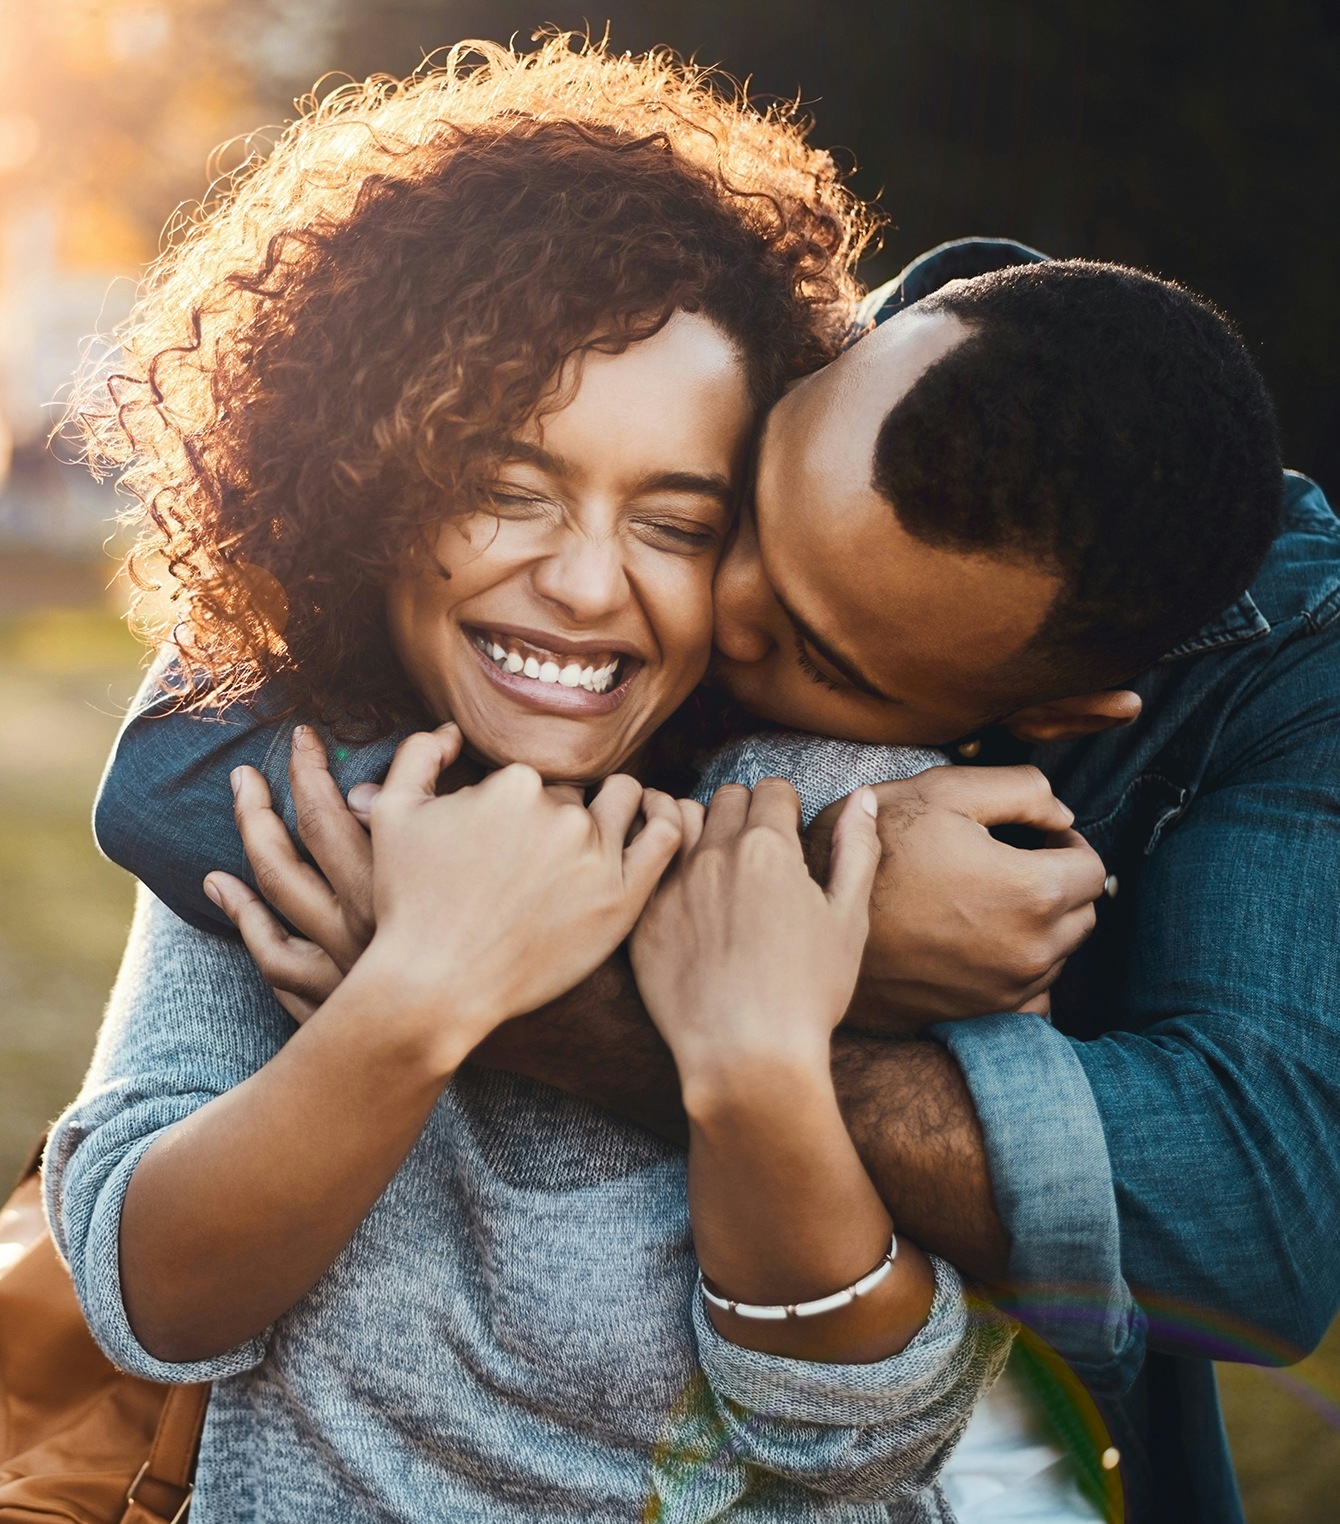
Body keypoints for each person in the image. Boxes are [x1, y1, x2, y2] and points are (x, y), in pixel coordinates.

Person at [96, 230, 1335, 1524]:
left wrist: (742, 1005)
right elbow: (174, 781)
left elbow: (1232, 1228)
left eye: (817, 649)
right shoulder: (713, 365)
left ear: (1047, 719)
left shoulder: (955, 831)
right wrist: (774, 909)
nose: (712, 605)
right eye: (737, 513)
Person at [43, 39, 1012, 1524]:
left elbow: (866, 1443)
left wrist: (749, 1068)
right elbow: (152, 1302)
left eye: (674, 523)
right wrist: (423, 990)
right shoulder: (297, 780)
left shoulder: (836, 813)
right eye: (507, 491)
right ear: (366, 483)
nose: (584, 584)